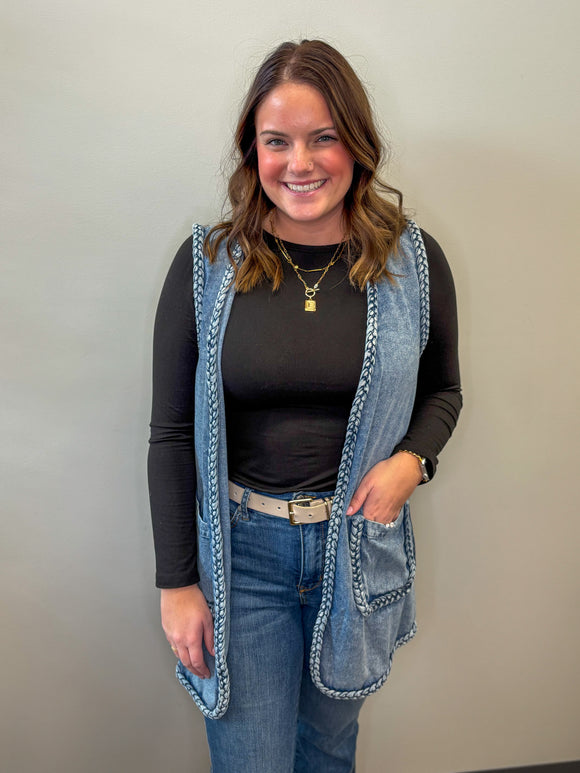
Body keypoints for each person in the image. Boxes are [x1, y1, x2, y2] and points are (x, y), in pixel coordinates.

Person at [148, 39, 462, 773]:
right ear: (251, 151)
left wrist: (412, 462)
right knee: (250, 758)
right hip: (242, 555)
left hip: (357, 550)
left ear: (356, 143)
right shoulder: (207, 267)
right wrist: (177, 583)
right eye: (277, 141)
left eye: (324, 138)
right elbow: (170, 433)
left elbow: (445, 388)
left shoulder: (412, 263)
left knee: (326, 751)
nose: (301, 162)